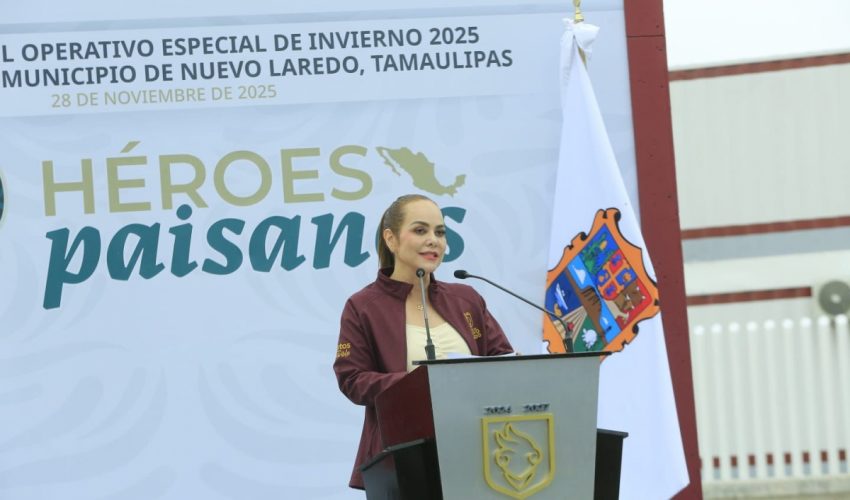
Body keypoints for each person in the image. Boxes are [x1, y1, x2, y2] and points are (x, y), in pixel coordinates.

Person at [333, 193, 514, 490]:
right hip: (403, 459)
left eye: (440, 232)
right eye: (420, 230)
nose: (434, 241)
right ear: (391, 239)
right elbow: (352, 379)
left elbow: (503, 360)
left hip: (480, 451)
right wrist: (419, 383)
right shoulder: (362, 306)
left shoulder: (467, 298)